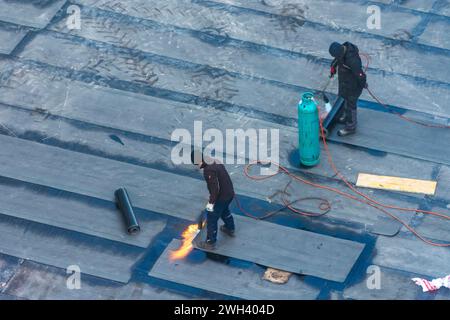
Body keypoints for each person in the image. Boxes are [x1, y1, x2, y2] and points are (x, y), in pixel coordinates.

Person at [191, 150, 235, 250]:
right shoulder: (215, 161)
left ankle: (210, 243)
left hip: (222, 196)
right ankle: (230, 228)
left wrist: (211, 203)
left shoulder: (208, 170)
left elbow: (215, 189)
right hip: (229, 193)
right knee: (224, 210)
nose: (197, 166)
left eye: (197, 164)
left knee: (212, 218)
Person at [329, 42, 368, 137]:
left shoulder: (353, 61)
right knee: (342, 100)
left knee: (350, 106)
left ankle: (351, 127)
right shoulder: (342, 49)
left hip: (353, 86)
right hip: (344, 82)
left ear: (341, 53)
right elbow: (336, 60)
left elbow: (360, 75)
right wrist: (333, 67)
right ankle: (346, 117)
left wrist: (363, 84)